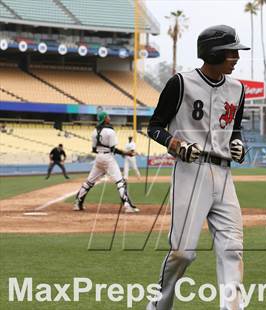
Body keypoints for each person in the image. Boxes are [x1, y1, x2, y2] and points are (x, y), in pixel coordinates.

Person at [146, 25, 249, 310]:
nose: (236, 57)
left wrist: (238, 144)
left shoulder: (238, 89)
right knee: (182, 253)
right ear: (213, 52)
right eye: (231, 52)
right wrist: (176, 145)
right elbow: (154, 127)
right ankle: (158, 305)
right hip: (191, 172)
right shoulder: (180, 83)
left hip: (224, 174)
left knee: (232, 249)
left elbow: (235, 129)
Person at [73, 112, 139, 213]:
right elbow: (113, 149)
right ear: (105, 119)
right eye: (107, 116)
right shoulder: (110, 131)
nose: (109, 117)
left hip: (98, 157)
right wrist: (126, 153)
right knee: (120, 181)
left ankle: (77, 204)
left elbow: (94, 149)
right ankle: (127, 206)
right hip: (108, 157)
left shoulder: (95, 131)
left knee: (89, 182)